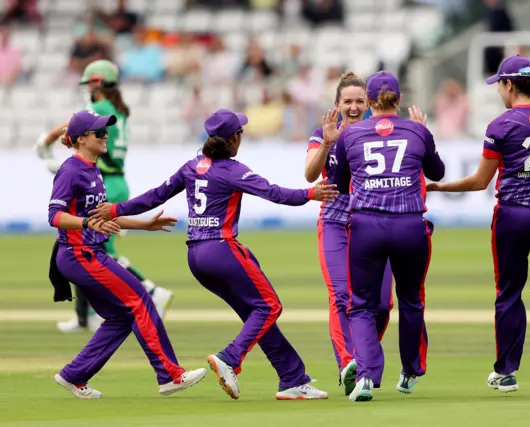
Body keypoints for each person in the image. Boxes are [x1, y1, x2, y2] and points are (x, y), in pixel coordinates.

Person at [89, 109, 336, 401]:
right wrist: (311, 194)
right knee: (269, 307)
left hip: (195, 255)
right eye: (241, 133)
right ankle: (229, 358)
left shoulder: (192, 167)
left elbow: (156, 195)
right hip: (223, 249)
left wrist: (116, 209)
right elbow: (275, 194)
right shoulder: (233, 170)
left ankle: (293, 379)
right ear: (234, 138)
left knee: (256, 313)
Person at [427, 55, 530, 393]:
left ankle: (506, 372)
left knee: (509, 292)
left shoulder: (501, 125)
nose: (499, 90)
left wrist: (438, 186)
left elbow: (479, 182)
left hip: (514, 215)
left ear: (509, 84)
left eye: (500, 84)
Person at [49, 110, 206, 399]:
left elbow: (103, 216)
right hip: (79, 254)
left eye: (106, 130)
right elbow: (55, 216)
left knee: (122, 315)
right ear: (82, 139)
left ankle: (74, 375)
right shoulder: (71, 170)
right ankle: (171, 375)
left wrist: (144, 225)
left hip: (87, 253)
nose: (105, 135)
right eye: (99, 132)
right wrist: (85, 223)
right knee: (140, 300)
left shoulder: (93, 168)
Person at [305, 71, 428, 396]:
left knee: (382, 305)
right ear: (337, 104)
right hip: (335, 222)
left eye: (360, 101)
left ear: (370, 102)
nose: (355, 107)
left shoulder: (379, 133)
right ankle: (351, 363)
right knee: (342, 297)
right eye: (348, 101)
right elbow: (309, 173)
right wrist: (328, 141)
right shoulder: (324, 133)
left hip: (371, 223)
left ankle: (365, 357)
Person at [35, 59, 173, 334]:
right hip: (115, 179)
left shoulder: (100, 109)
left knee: (90, 246)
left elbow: (72, 123)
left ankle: (149, 290)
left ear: (97, 84)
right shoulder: (119, 112)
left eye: (90, 84)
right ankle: (85, 315)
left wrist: (47, 139)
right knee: (83, 245)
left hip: (105, 180)